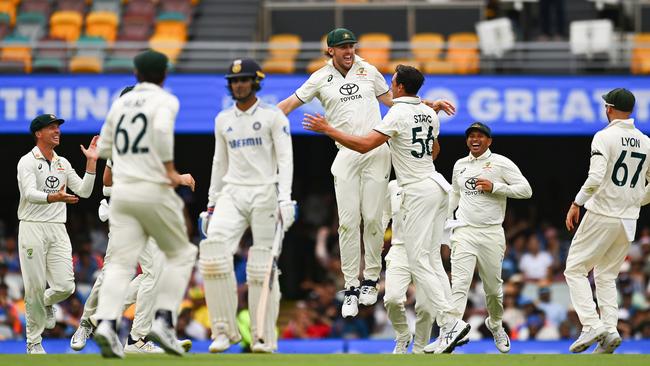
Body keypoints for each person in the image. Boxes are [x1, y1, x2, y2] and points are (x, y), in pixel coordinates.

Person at [278, 28, 455, 318]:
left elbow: (393, 102)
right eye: (343, 47)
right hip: (346, 154)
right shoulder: (320, 78)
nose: (349, 52)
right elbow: (289, 104)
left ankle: (370, 280)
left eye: (352, 46)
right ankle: (350, 287)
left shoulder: (369, 71)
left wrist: (429, 104)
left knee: (373, 219)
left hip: (376, 153)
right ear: (330, 51)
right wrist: (265, 119)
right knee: (348, 223)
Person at [303, 64, 469, 354]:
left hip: (417, 189)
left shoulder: (396, 114)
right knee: (430, 259)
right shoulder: (429, 113)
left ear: (401, 87)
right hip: (436, 184)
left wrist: (328, 129)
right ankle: (448, 326)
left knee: (419, 261)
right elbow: (434, 151)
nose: (390, 85)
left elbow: (366, 145)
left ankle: (451, 323)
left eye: (393, 82)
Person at [93, 49, 197, 358]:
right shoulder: (166, 101)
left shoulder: (118, 108)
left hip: (121, 197)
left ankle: (106, 323)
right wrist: (174, 175)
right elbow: (162, 140)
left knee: (122, 266)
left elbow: (106, 155)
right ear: (163, 76)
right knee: (181, 255)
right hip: (149, 191)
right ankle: (155, 326)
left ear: (137, 74)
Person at [199, 58, 294, 354]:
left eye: (244, 80)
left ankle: (263, 337)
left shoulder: (273, 116)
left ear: (256, 82)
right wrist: (212, 203)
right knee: (213, 253)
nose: (238, 85)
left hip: (266, 191)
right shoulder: (222, 119)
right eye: (234, 81)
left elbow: (285, 159)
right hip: (232, 192)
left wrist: (285, 198)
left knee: (262, 265)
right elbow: (218, 162)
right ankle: (224, 332)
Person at [564, 88, 650, 354]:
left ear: (609, 108)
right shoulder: (646, 141)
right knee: (606, 275)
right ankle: (610, 330)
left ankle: (591, 325)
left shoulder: (604, 136)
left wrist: (577, 202)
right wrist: (634, 201)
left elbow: (596, 177)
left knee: (575, 269)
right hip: (628, 218)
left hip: (602, 213)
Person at [441, 122, 532, 353]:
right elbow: (454, 195)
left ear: (489, 141)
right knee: (459, 284)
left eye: (480, 136)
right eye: (471, 136)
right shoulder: (460, 165)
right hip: (464, 231)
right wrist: (442, 222)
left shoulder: (500, 162)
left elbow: (526, 190)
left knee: (493, 289)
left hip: (492, 233)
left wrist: (496, 187)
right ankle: (449, 331)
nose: (475, 139)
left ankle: (496, 324)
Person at [16, 113, 98, 354]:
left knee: (65, 287)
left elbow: (83, 191)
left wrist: (91, 162)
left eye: (58, 128)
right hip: (32, 226)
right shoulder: (27, 161)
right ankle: (34, 342)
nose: (57, 131)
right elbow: (29, 193)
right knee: (33, 286)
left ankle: (46, 302)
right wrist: (55, 197)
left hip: (57, 228)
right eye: (51, 128)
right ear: (38, 133)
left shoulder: (62, 163)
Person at [382, 179, 452, 354]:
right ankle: (403, 335)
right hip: (399, 250)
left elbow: (447, 217)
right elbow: (384, 214)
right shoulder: (392, 186)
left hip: (425, 252)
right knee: (392, 299)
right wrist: (377, 239)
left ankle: (420, 349)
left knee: (427, 309)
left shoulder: (435, 185)